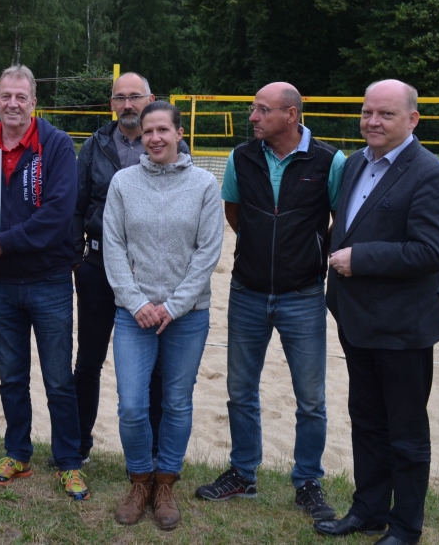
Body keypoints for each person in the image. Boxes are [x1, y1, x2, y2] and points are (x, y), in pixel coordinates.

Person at [314, 80, 439, 545]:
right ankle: (369, 510)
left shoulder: (432, 174)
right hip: (357, 321)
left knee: (407, 433)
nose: (372, 122)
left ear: (412, 120)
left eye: (386, 115)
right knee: (367, 421)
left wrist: (360, 258)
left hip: (404, 328)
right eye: (367, 112)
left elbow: (431, 251)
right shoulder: (355, 162)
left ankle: (405, 527)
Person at [195, 82, 346, 520]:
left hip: (303, 295)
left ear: (291, 114)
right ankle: (243, 473)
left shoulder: (329, 160)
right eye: (253, 110)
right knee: (240, 390)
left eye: (262, 110)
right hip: (247, 291)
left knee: (310, 397)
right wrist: (262, 246)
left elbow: (339, 216)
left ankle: (308, 482)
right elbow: (234, 213)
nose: (253, 118)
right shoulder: (240, 157)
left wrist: (309, 252)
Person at [104, 100, 223, 529]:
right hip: (133, 315)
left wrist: (174, 306)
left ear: (178, 133)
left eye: (162, 130)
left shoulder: (205, 185)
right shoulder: (123, 182)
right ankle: (139, 480)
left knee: (176, 402)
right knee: (132, 405)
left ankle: (165, 482)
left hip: (186, 316)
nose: (154, 138)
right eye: (148, 131)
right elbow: (113, 246)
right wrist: (136, 302)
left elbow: (208, 252)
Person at [0, 65, 88, 500]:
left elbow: (58, 215)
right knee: (11, 376)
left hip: (49, 280)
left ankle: (69, 460)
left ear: (34, 101)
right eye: (6, 96)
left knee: (58, 378)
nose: (13, 104)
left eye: (21, 96)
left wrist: (4, 241)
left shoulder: (56, 145)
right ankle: (17, 452)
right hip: (0, 282)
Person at [69, 72, 190, 468]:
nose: (127, 106)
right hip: (99, 268)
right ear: (111, 105)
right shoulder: (95, 146)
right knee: (88, 361)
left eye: (134, 97)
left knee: (154, 370)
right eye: (119, 99)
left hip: (152, 276)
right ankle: (79, 444)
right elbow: (76, 205)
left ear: (150, 98)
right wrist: (76, 257)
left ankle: (152, 455)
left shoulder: (170, 145)